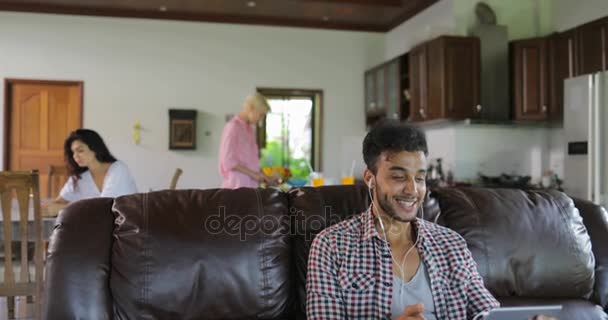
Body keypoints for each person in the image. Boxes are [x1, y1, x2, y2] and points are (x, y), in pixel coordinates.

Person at [306, 122, 556, 320]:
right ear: (370, 178)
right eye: (398, 177)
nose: (412, 190)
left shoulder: (451, 245)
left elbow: (485, 312)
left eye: (420, 178)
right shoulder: (331, 246)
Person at [47, 129, 138, 212]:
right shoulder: (80, 177)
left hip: (127, 227)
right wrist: (76, 207)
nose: (75, 156)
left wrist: (69, 207)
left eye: (80, 150)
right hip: (98, 227)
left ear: (95, 148)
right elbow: (54, 206)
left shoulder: (118, 169)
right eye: (73, 152)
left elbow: (103, 207)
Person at [218, 93, 277, 189]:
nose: (261, 119)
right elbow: (228, 161)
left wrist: (264, 176)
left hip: (250, 188)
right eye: (260, 115)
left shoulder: (249, 129)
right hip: (236, 187)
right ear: (251, 108)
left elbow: (250, 163)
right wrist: (255, 175)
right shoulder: (233, 127)